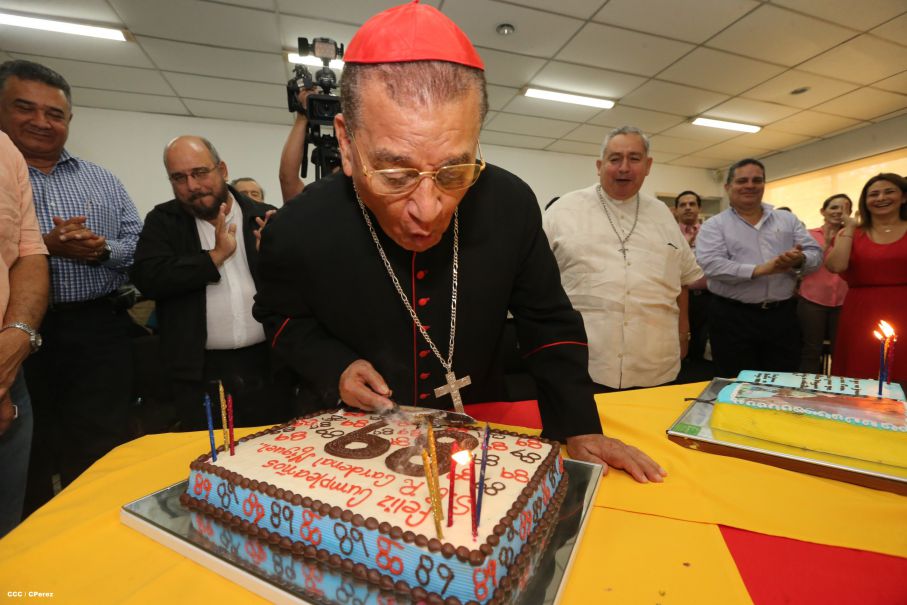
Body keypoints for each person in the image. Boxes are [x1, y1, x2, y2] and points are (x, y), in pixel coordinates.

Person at [254, 2, 665, 483]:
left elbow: (547, 320)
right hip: (351, 435)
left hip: (479, 425)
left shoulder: (509, 204)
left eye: (454, 170)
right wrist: (335, 366)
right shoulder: (299, 226)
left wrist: (578, 422)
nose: (428, 209)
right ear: (346, 143)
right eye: (395, 172)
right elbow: (281, 317)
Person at [0, 59, 142, 513]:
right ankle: (32, 549)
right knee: (28, 451)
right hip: (17, 335)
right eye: (25, 108)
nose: (41, 122)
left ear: (69, 120)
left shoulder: (102, 180)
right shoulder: (7, 176)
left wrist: (101, 251)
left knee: (102, 443)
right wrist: (46, 246)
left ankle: (96, 529)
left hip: (96, 328)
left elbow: (139, 247)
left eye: (55, 113)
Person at [131, 136, 293, 431]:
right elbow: (148, 278)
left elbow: (297, 287)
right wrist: (214, 257)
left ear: (223, 169)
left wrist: (277, 257)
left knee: (270, 461)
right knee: (209, 463)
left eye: (200, 173)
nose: (192, 186)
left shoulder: (264, 216)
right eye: (179, 178)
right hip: (199, 374)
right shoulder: (163, 221)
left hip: (268, 367)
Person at [543, 127, 702, 391]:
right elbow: (537, 280)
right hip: (585, 361)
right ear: (599, 165)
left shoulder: (662, 214)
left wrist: (683, 333)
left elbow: (682, 279)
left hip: (655, 362)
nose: (624, 168)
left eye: (634, 158)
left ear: (648, 165)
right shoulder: (563, 211)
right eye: (615, 159)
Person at [696, 158, 822, 377]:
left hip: (782, 316)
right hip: (732, 317)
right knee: (735, 383)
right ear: (728, 187)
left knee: (782, 384)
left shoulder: (787, 220)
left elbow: (815, 253)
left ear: (764, 184)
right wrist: (763, 269)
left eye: (757, 180)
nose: (750, 185)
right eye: (742, 180)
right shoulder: (714, 225)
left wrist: (798, 260)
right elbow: (712, 265)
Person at [0, 132, 49, 537]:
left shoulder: (4, 150)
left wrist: (15, 343)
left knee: (8, 532)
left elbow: (27, 253)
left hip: (11, 369)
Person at [826, 173, 907, 383]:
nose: (881, 198)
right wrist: (850, 228)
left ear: (904, 197)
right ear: (865, 201)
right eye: (874, 194)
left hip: (904, 308)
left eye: (889, 192)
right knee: (861, 370)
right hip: (861, 311)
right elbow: (836, 265)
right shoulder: (852, 232)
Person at [797, 194, 852, 373]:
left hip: (845, 301)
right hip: (812, 300)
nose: (838, 212)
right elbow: (803, 267)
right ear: (823, 211)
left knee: (842, 350)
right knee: (811, 350)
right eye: (833, 207)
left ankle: (838, 394)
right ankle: (807, 393)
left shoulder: (854, 235)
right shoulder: (809, 235)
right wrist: (827, 243)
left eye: (843, 208)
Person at [674, 190, 711, 363]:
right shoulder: (669, 233)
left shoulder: (710, 234)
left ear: (699, 208)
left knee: (702, 342)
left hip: (707, 298)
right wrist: (685, 245)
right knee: (678, 340)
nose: (688, 208)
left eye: (692, 204)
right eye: (683, 204)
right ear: (676, 210)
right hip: (678, 297)